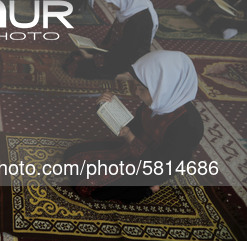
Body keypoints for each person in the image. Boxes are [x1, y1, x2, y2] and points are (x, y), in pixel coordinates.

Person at [63, 50, 204, 203]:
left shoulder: (188, 126)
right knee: (72, 157)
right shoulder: (162, 99)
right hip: (134, 148)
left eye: (141, 88)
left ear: (162, 88)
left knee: (87, 188)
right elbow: (134, 126)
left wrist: (130, 138)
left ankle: (146, 189)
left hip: (153, 167)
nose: (136, 92)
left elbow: (160, 168)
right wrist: (108, 107)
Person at [64, 0, 158, 80]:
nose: (110, 6)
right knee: (77, 55)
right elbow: (114, 33)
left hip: (129, 60)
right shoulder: (129, 7)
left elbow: (126, 52)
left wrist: (93, 57)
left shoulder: (139, 20)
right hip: (118, 51)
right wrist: (99, 49)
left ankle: (123, 76)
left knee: (83, 68)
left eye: (111, 2)